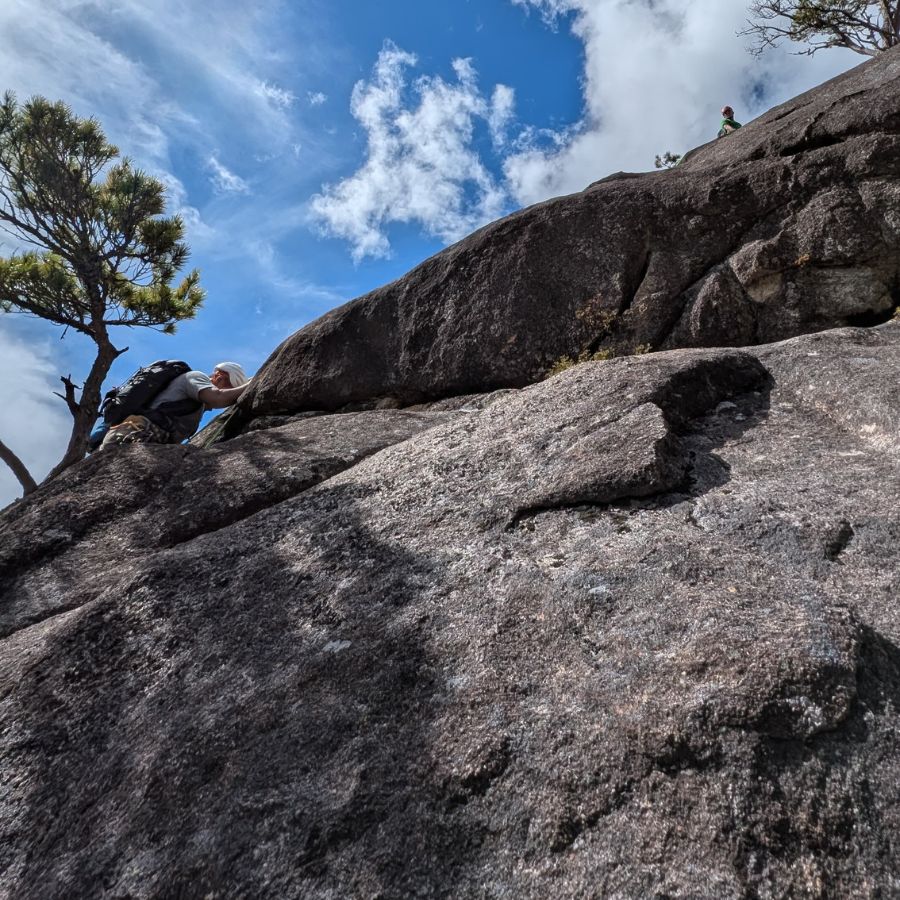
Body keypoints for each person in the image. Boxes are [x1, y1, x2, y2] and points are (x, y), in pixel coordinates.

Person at [101, 361, 250, 447]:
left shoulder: (197, 407)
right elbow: (217, 398)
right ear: (219, 377)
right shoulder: (196, 378)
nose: (231, 397)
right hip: (134, 434)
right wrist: (250, 385)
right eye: (230, 388)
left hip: (143, 439)